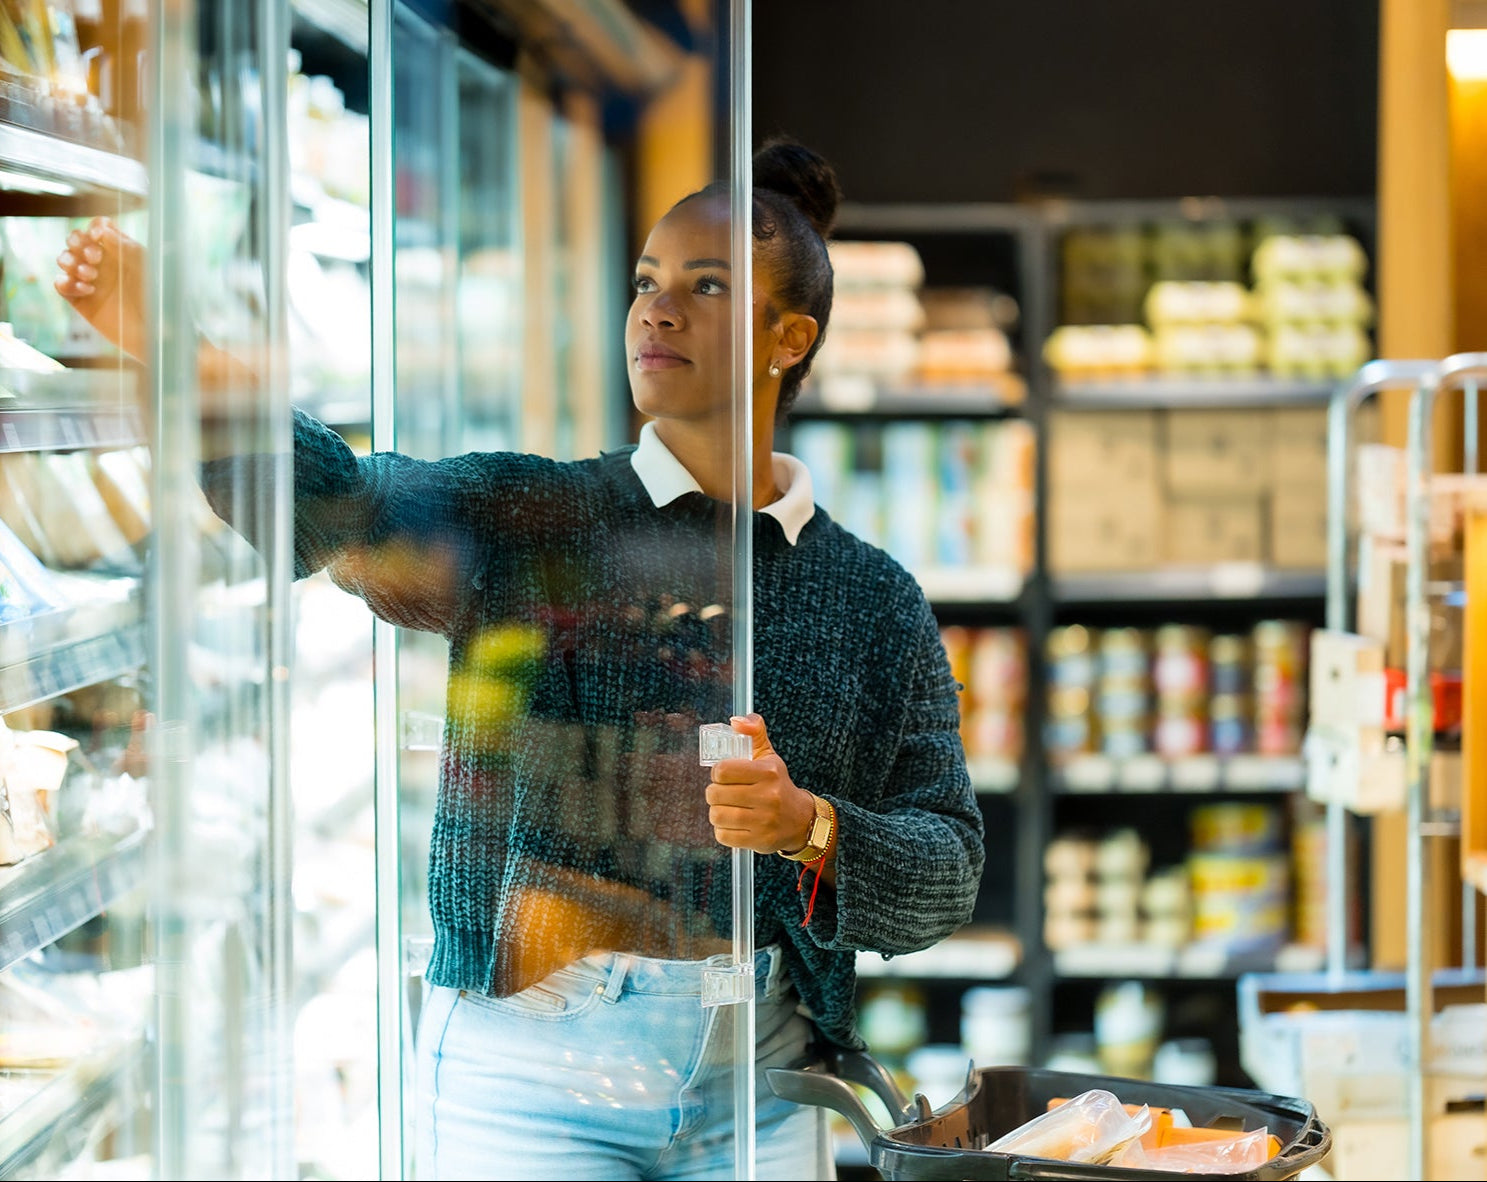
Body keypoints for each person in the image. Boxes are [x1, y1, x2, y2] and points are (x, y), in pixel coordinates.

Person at [55, 138, 986, 1182]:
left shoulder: (870, 597)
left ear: (787, 335)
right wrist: (182, 353)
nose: (655, 310)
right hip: (526, 1085)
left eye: (705, 286)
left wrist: (805, 825)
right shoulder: (531, 512)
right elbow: (339, 510)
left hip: (759, 1090)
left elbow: (944, 864)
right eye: (645, 283)